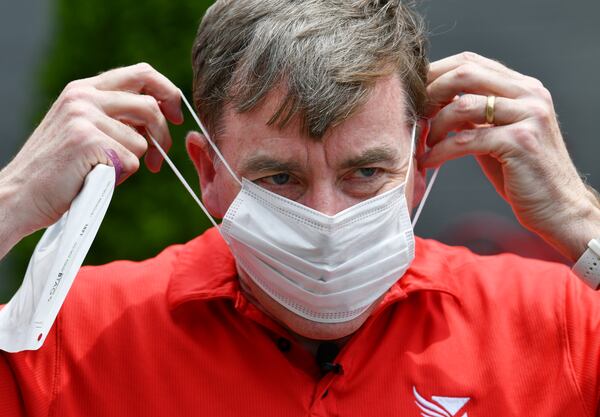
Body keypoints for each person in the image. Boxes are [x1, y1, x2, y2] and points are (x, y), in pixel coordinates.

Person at [1, 0, 599, 415]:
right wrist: (12, 201)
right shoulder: (69, 338)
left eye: (366, 172)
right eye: (280, 177)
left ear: (421, 163)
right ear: (208, 172)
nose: (327, 219)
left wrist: (580, 221)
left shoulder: (558, 321)